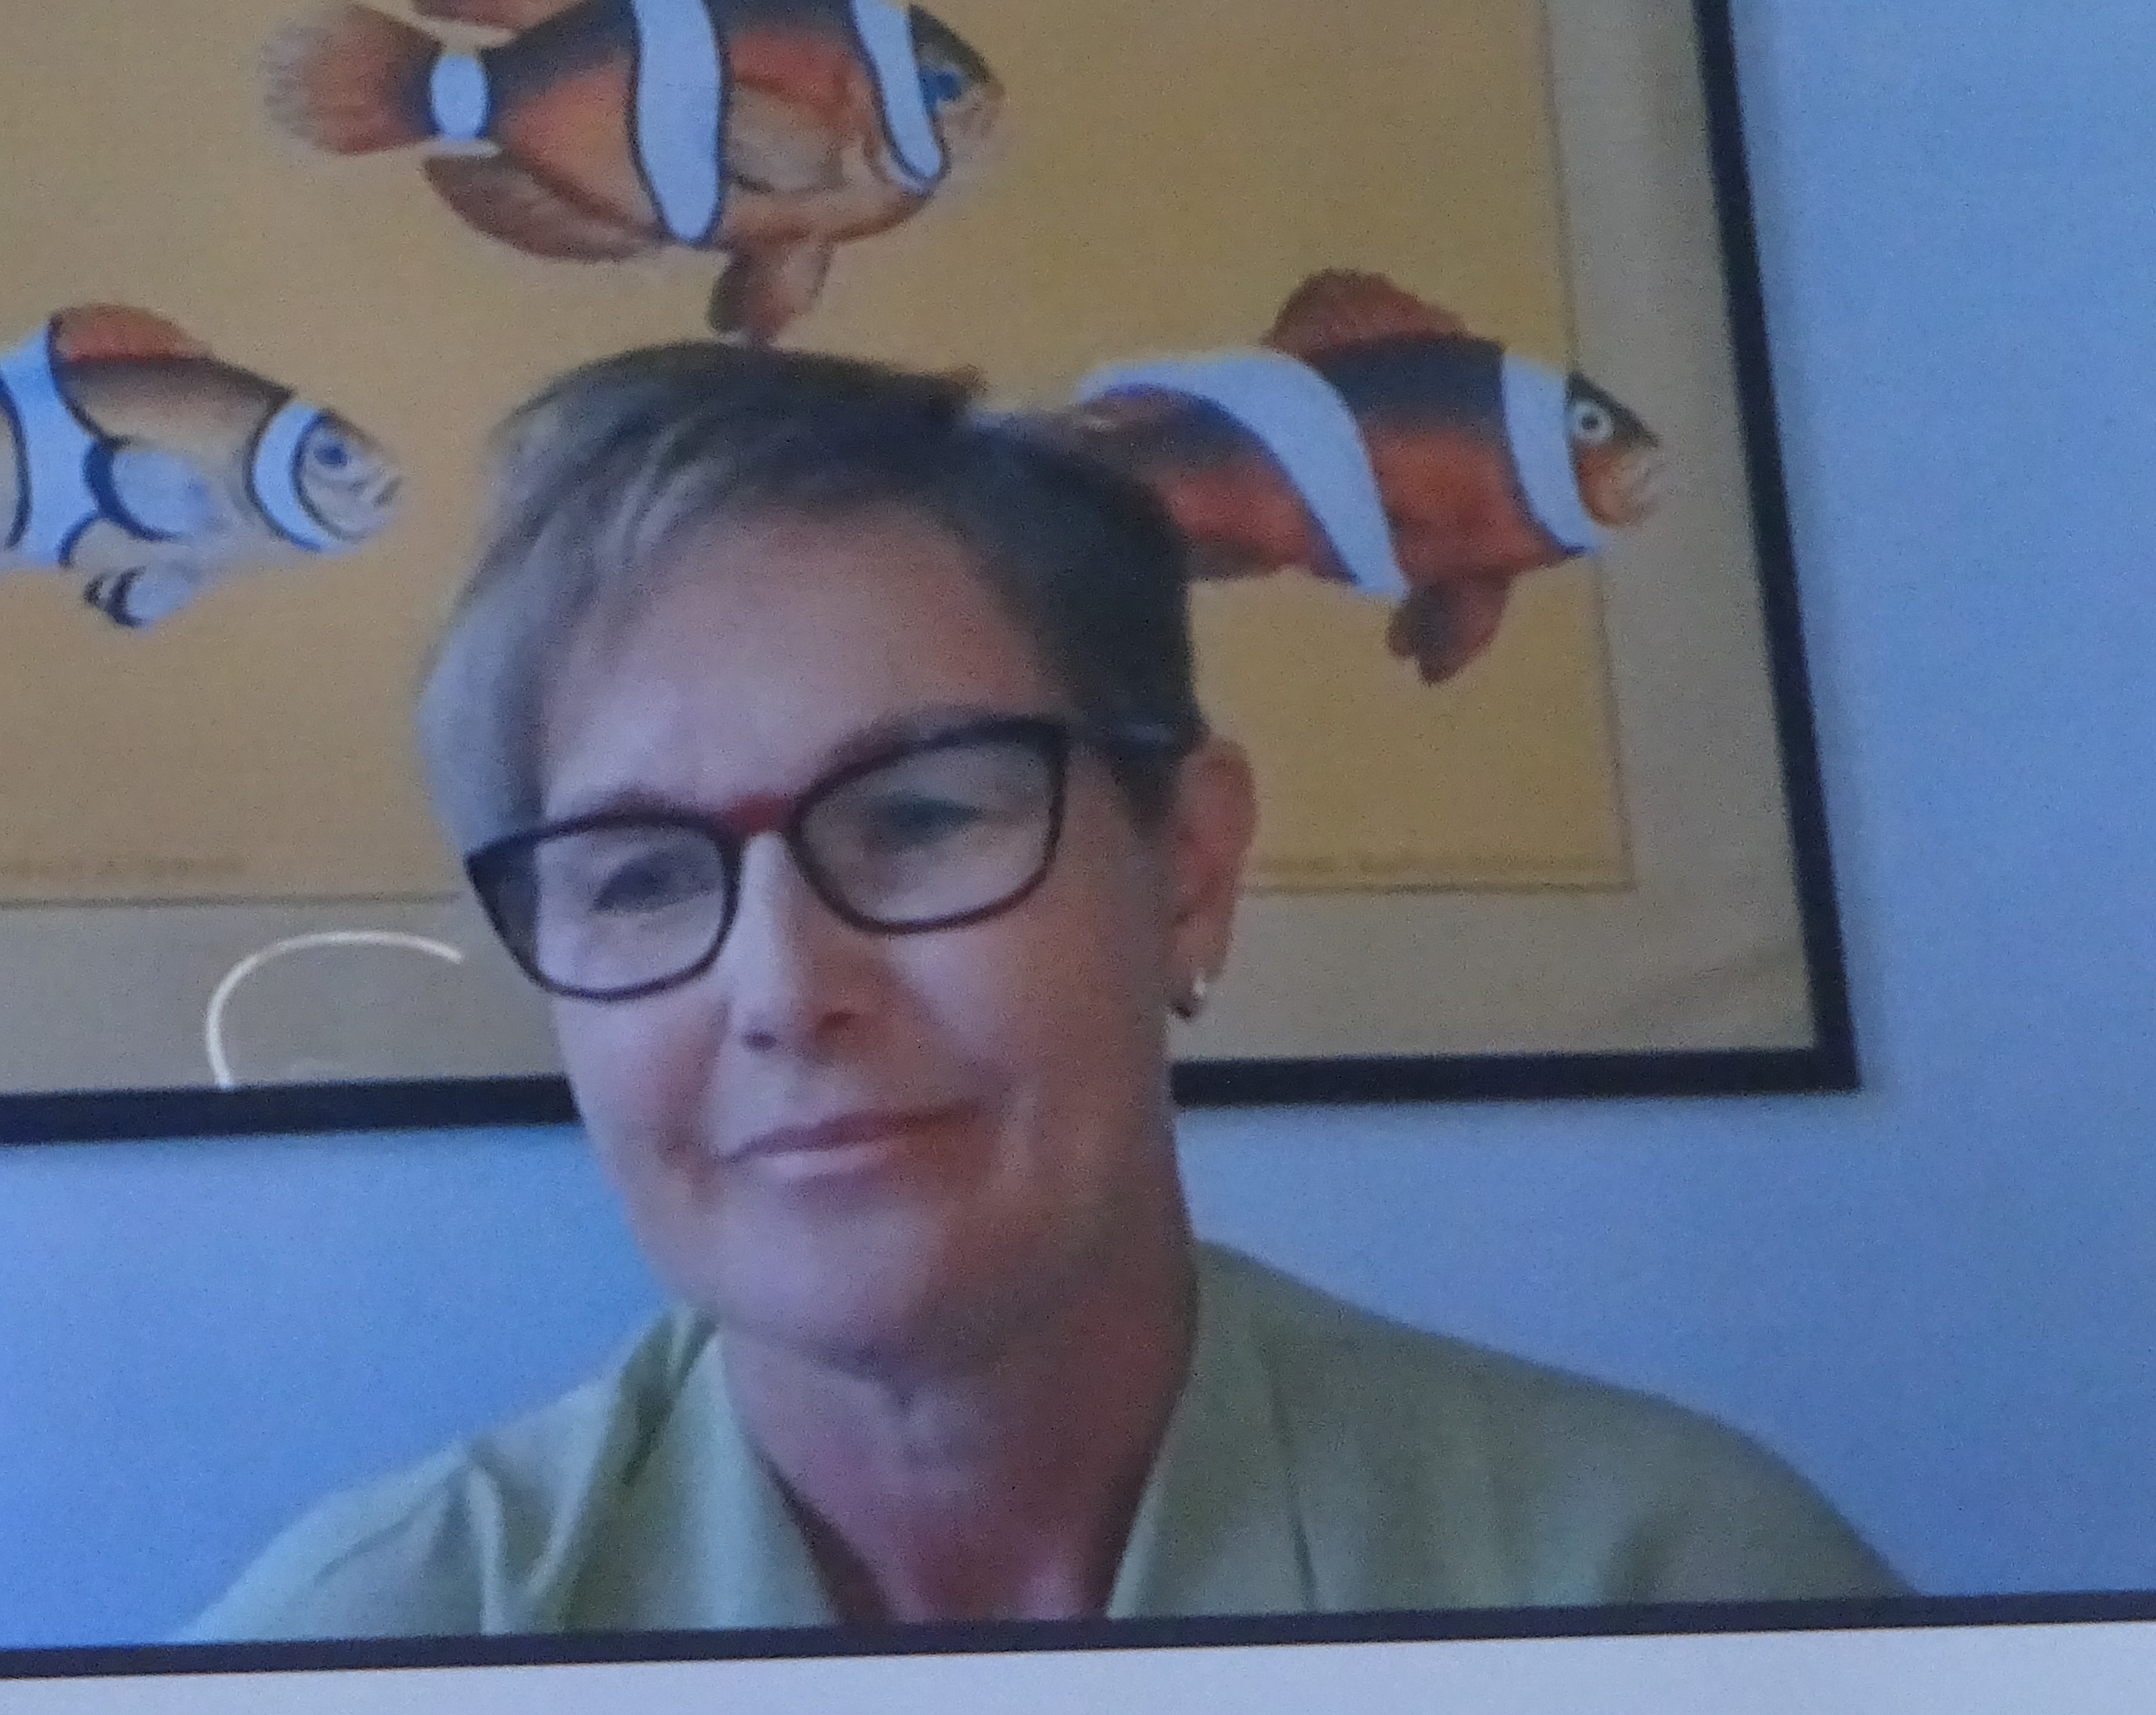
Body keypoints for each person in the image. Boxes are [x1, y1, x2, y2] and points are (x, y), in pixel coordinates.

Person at [189, 345, 1900, 1637]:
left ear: (1189, 867)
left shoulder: (1674, 1593)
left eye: (923, 816)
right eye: (639, 877)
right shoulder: (361, 1645)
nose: (783, 989)